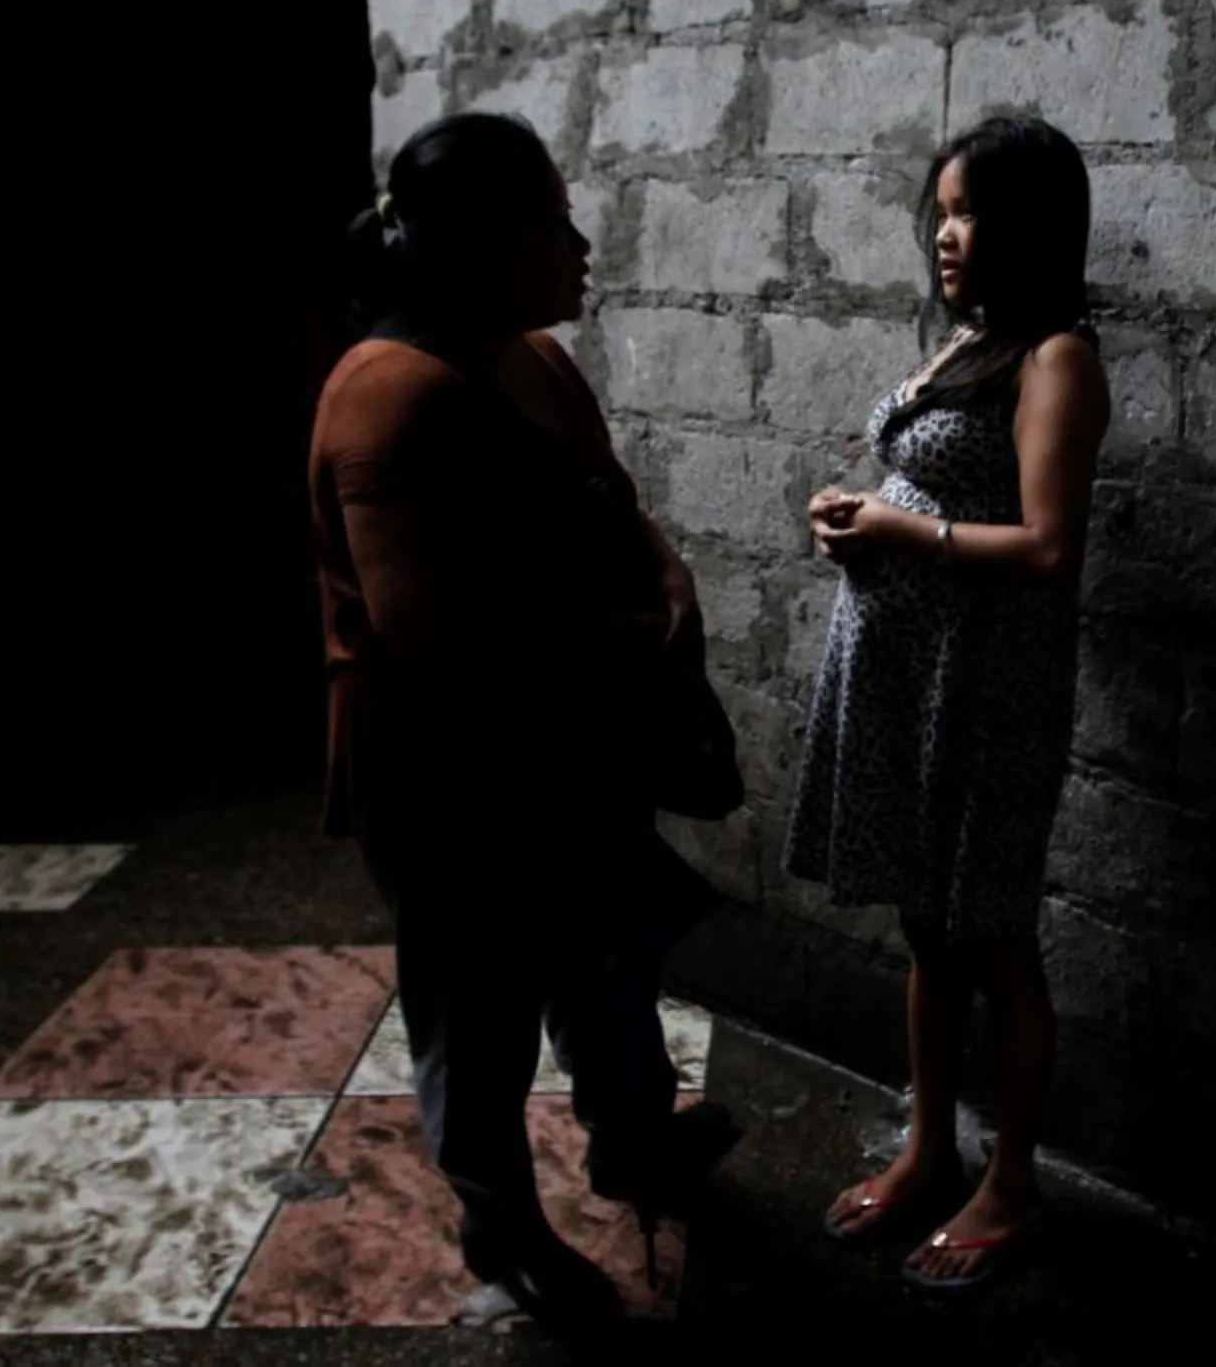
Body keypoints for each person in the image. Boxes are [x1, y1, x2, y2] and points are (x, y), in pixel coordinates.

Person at [307, 111, 739, 1333]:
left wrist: (661, 577)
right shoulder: (391, 396)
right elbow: (433, 636)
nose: (583, 241)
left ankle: (634, 1140)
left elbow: (608, 499)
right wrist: (624, 634)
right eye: (557, 218)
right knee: (480, 1003)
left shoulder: (531, 358)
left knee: (607, 957)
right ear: (486, 246)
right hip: (452, 773)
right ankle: (501, 1218)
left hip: (562, 746)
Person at [782, 115, 1112, 1290]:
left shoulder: (1055, 357)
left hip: (987, 683)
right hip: (911, 672)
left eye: (970, 213)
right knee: (929, 920)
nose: (947, 234)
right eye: (943, 212)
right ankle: (930, 1147)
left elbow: (1048, 546)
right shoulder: (971, 343)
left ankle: (1010, 1177)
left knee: (993, 929)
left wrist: (896, 526)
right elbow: (928, 483)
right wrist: (856, 513)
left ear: (1029, 227)